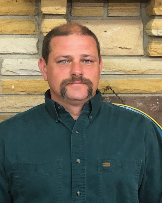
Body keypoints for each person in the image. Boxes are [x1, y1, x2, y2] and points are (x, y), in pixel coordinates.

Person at [0, 22, 162, 203]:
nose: (77, 71)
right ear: (44, 68)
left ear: (99, 66)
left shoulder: (141, 131)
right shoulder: (7, 137)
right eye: (64, 61)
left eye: (87, 60)